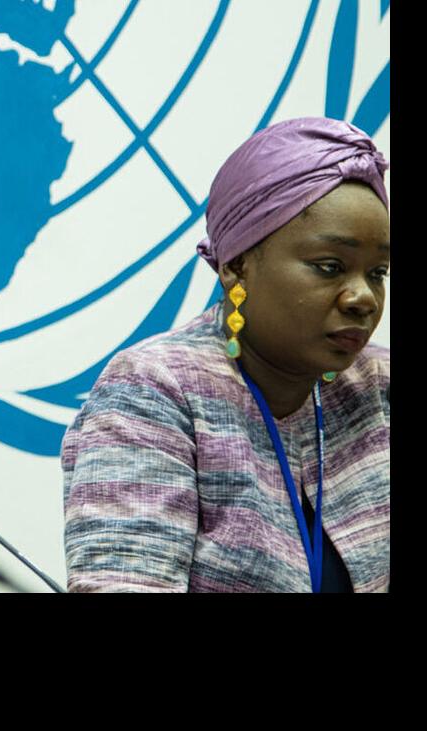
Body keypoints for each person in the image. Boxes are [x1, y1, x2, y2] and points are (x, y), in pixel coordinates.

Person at [61, 117, 390, 592]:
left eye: (378, 273)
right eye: (329, 267)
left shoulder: (378, 386)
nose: (363, 298)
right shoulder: (155, 391)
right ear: (237, 265)